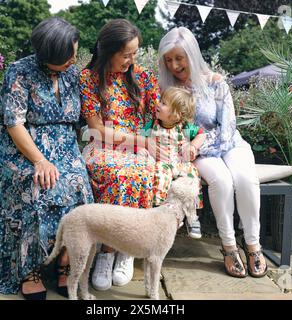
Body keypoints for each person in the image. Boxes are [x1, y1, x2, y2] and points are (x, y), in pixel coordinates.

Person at [0, 17, 94, 300]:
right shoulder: (19, 72)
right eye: (66, 57)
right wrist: (39, 161)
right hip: (22, 148)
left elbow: (81, 119)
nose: (72, 60)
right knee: (37, 185)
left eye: (74, 53)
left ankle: (64, 263)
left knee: (78, 182)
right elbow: (13, 123)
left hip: (64, 145)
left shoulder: (72, 73)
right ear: (47, 55)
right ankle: (28, 269)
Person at [158, 27, 268, 278]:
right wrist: (187, 147)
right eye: (168, 60)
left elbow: (227, 132)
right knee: (222, 180)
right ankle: (229, 247)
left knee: (245, 178)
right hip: (195, 152)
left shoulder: (215, 83)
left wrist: (197, 145)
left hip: (226, 144)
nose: (174, 65)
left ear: (192, 55)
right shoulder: (166, 87)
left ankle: (253, 245)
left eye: (179, 58)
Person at [79, 19, 166, 291]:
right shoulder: (89, 78)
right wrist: (140, 141)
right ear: (108, 51)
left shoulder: (143, 77)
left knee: (141, 172)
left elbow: (162, 113)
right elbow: (96, 128)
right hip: (102, 144)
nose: (131, 60)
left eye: (135, 54)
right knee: (116, 173)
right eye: (125, 54)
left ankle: (127, 249)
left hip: (140, 147)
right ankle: (106, 250)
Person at [140, 86, 205, 238]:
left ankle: (192, 215)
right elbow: (140, 138)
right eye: (160, 101)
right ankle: (159, 214)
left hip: (179, 162)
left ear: (177, 115)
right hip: (161, 163)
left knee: (192, 178)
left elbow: (202, 135)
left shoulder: (185, 127)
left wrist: (193, 146)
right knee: (159, 178)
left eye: (163, 103)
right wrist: (141, 149)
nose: (158, 104)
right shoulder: (152, 125)